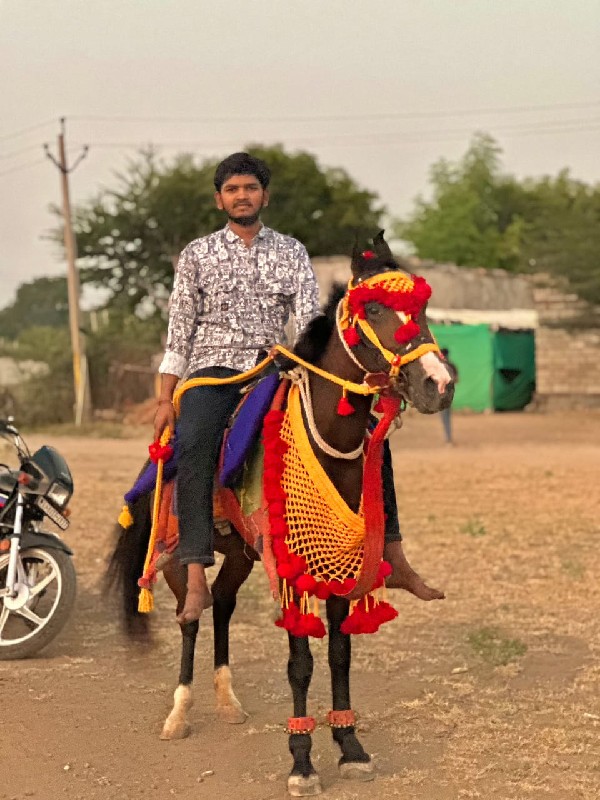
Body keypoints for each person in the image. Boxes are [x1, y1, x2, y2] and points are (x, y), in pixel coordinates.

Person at [154, 152, 443, 625]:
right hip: (212, 371)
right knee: (197, 440)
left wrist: (321, 364)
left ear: (264, 196)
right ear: (219, 199)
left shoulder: (290, 251)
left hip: (275, 368)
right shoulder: (197, 255)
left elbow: (310, 320)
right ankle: (194, 572)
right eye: (232, 189)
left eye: (250, 188)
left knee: (368, 433)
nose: (241, 196)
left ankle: (394, 555)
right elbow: (178, 332)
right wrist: (167, 397)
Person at [440, 348, 458, 445]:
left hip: (441, 396)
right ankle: (448, 437)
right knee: (446, 417)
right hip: (448, 395)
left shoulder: (439, 366)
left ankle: (448, 437)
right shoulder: (452, 366)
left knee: (445, 418)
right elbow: (456, 380)